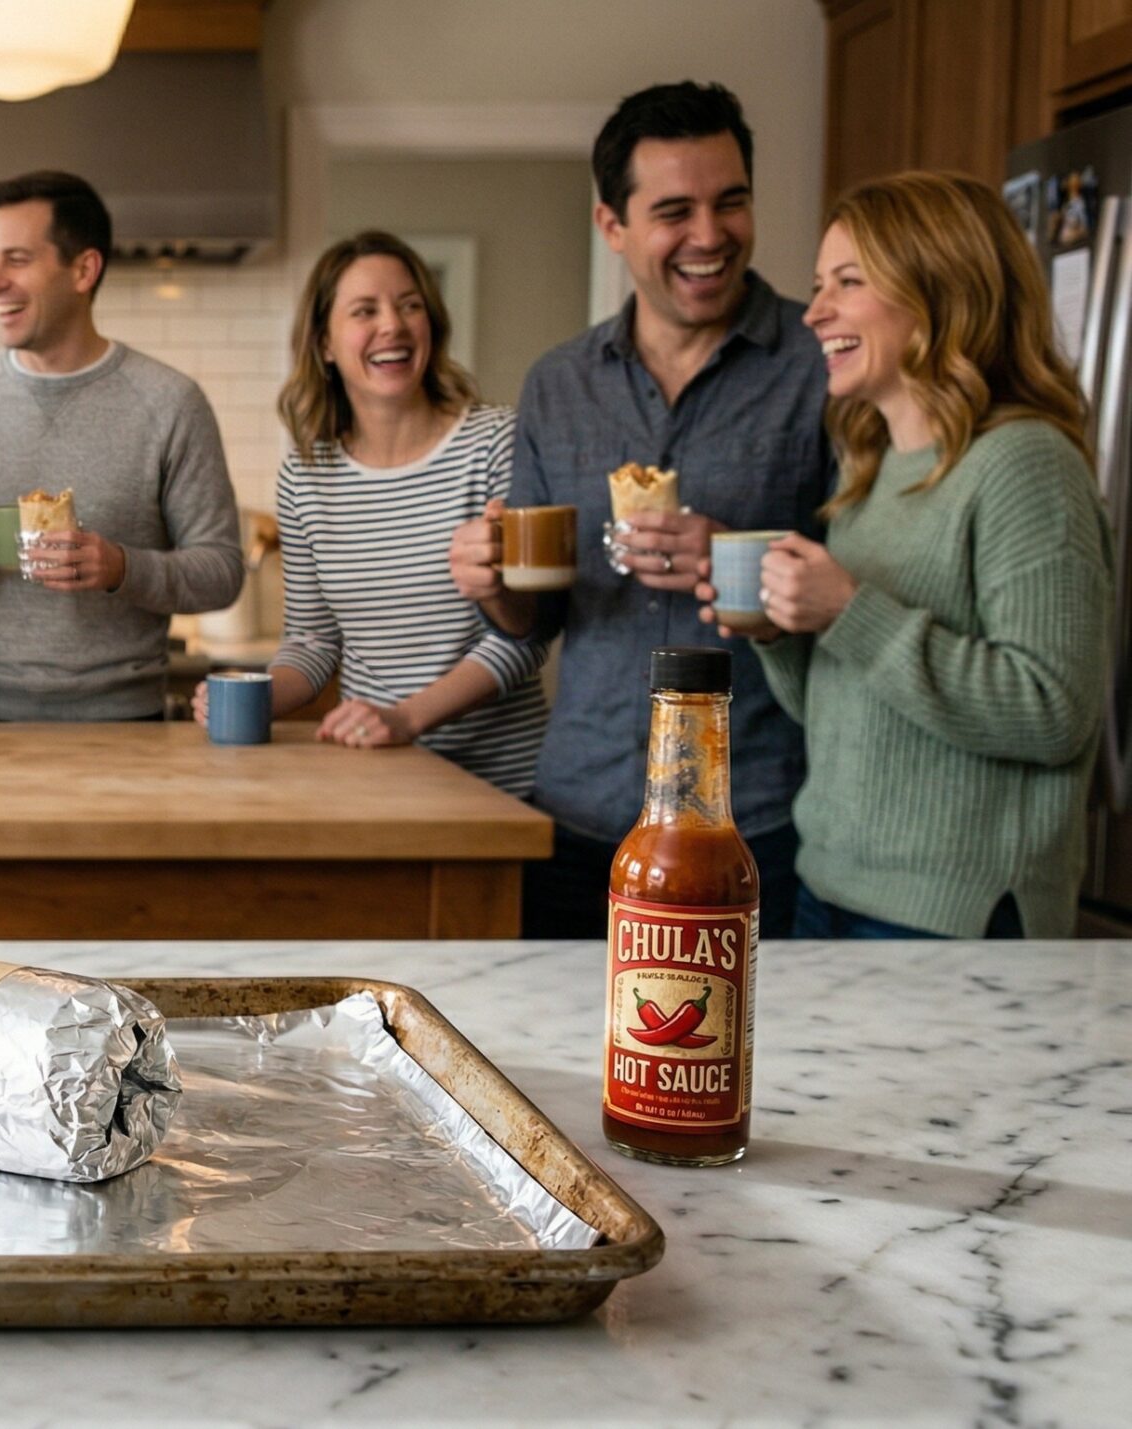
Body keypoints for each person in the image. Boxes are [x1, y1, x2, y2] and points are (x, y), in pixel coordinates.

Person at [446, 82, 828, 936]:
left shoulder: (822, 365)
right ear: (611, 224)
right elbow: (534, 616)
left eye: (731, 202)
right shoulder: (560, 381)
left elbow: (862, 585)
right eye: (674, 210)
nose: (709, 235)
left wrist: (742, 564)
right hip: (583, 808)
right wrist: (492, 581)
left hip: (759, 819)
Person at [695, 171, 1112, 938]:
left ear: (941, 292)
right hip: (831, 885)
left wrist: (850, 610)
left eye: (847, 283)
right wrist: (779, 635)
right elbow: (849, 707)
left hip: (957, 911)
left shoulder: (1025, 462)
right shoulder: (872, 467)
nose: (815, 312)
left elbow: (1056, 712)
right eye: (820, 285)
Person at [195, 232, 543, 793]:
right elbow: (312, 643)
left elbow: (522, 637)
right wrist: (249, 697)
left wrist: (406, 718)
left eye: (410, 305)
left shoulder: (496, 443)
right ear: (326, 344)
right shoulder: (306, 477)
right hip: (372, 778)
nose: (393, 325)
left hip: (495, 787)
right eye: (365, 311)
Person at [0, 170, 246, 720]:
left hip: (123, 724)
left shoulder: (172, 402)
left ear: (84, 269)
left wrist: (121, 568)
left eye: (17, 259)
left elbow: (222, 572)